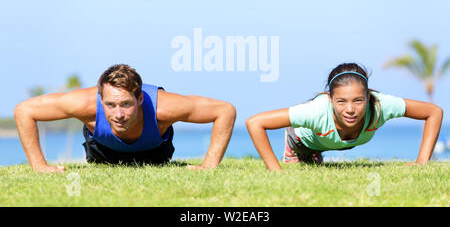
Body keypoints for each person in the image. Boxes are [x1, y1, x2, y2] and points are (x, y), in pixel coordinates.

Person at [14, 64, 236, 173]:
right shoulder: (83, 104)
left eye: (126, 104)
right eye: (110, 105)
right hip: (102, 152)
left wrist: (209, 165)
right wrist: (39, 165)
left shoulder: (164, 108)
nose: (118, 114)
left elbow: (224, 110)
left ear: (140, 98)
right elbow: (25, 111)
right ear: (101, 99)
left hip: (154, 155)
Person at [246, 63, 444, 171]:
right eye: (341, 102)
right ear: (330, 99)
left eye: (358, 100)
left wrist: (422, 161)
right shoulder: (315, 111)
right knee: (305, 166)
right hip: (301, 141)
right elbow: (255, 123)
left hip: (328, 141)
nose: (350, 109)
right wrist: (275, 171)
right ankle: (299, 152)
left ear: (368, 97)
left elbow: (433, 112)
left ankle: (315, 154)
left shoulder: (381, 106)